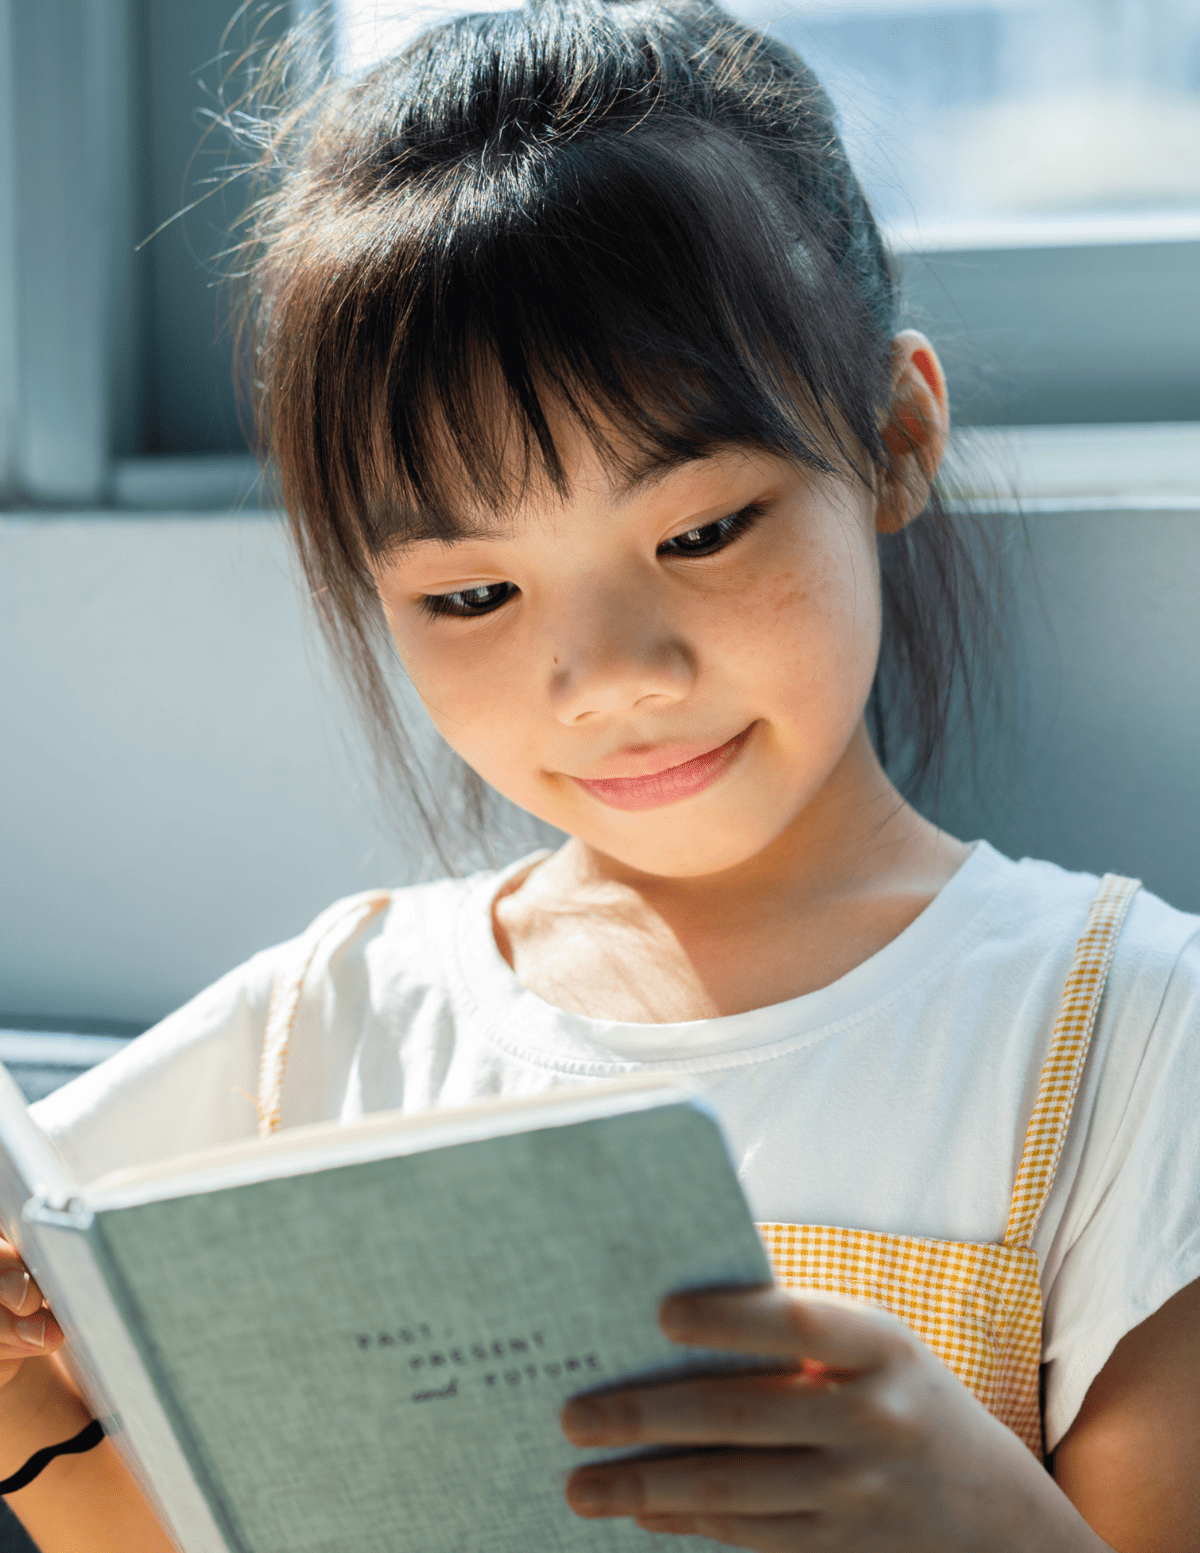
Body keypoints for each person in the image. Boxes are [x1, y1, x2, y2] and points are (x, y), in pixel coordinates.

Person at [2, 0, 1198, 1547]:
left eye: (700, 532)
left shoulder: (1127, 1034)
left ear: (896, 438)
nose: (610, 679)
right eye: (473, 596)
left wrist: (989, 1522)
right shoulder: (326, 1031)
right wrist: (29, 1396)